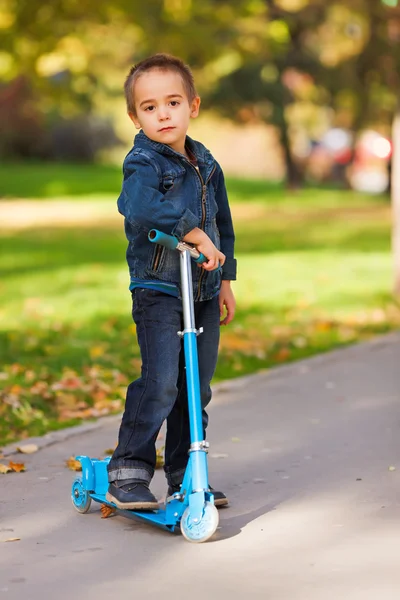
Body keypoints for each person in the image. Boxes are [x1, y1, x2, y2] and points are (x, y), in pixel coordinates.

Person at [106, 53, 236, 511]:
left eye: (173, 102)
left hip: (201, 290)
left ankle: (186, 477)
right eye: (149, 107)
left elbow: (221, 222)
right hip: (159, 289)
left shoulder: (207, 163)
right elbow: (137, 207)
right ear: (134, 116)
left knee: (195, 386)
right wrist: (190, 230)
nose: (163, 113)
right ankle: (127, 470)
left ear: (193, 106)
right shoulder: (142, 162)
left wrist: (225, 278)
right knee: (162, 381)